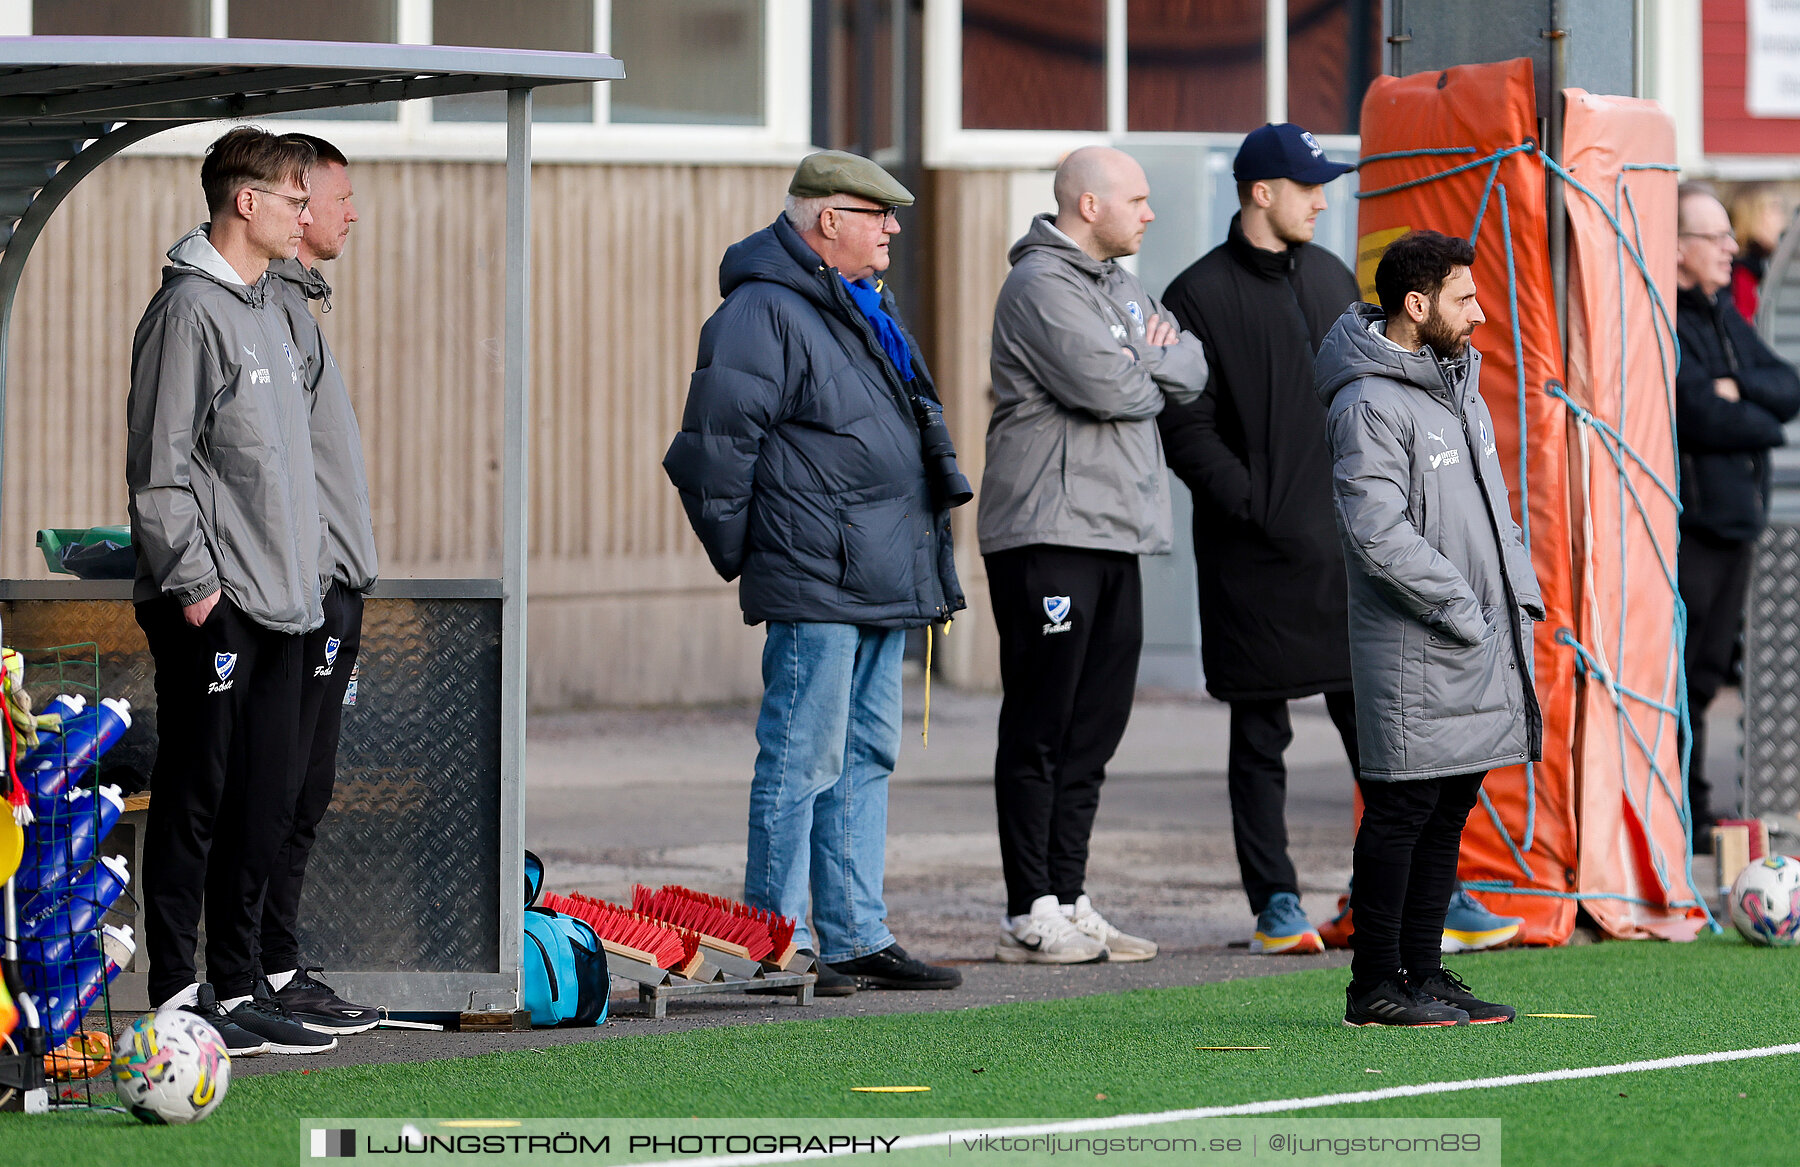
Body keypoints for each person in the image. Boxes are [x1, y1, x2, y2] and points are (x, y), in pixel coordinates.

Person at [664, 151, 967, 994]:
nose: (894, 230)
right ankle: (771, 943)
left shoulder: (856, 302)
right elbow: (713, 454)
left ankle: (855, 934)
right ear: (827, 220)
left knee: (865, 752)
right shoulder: (762, 309)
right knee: (802, 758)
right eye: (879, 215)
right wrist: (761, 559)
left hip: (873, 573)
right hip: (819, 575)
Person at [127, 127, 334, 1055]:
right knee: (197, 796)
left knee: (265, 801)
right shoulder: (188, 313)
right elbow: (160, 468)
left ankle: (242, 984)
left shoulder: (270, 311)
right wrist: (199, 588)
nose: (308, 214)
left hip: (287, 601)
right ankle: (176, 988)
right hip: (218, 604)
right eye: (294, 199)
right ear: (244, 201)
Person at [980, 146, 1208, 964]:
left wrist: (1146, 358)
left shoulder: (1122, 284)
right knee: (1042, 722)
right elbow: (1115, 388)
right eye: (1137, 200)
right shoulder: (1039, 286)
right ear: (1087, 205)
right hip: (1050, 532)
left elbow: (1194, 364)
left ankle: (1069, 895)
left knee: (1095, 728)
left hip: (1117, 532)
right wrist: (1148, 360)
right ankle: (1026, 910)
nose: (1149, 214)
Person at [1315, 230, 1542, 1026]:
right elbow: (1377, 533)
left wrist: (1519, 600)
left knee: (1448, 808)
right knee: (1403, 812)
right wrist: (1462, 605)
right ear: (1417, 306)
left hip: (1474, 637)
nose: (1480, 315)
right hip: (1421, 646)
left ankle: (1425, 973)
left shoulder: (1459, 386)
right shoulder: (1367, 401)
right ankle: (1374, 985)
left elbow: (1495, 514)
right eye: (1464, 299)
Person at [1156, 122, 1360, 956]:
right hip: (1254, 552)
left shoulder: (1333, 274)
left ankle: (1394, 892)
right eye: (1307, 185)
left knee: (1380, 730)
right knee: (1260, 732)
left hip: (1348, 549)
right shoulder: (1195, 292)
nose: (1322, 198)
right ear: (1259, 193)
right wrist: (1255, 503)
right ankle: (1276, 902)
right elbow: (1184, 423)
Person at [258, 134, 380, 1034]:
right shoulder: (259, 308)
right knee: (276, 787)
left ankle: (278, 960)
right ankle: (252, 969)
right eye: (337, 196)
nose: (347, 213)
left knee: (307, 786)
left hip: (331, 586)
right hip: (299, 593)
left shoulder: (299, 308)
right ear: (294, 201)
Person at [1675, 184, 1800, 851]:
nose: (1731, 248)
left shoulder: (1725, 313)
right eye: (1714, 237)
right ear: (1676, 249)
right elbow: (1697, 410)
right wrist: (1749, 413)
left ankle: (1696, 813)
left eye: (1730, 235)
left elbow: (1786, 388)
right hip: (1693, 529)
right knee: (1684, 679)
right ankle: (1681, 815)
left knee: (1707, 676)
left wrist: (1740, 389)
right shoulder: (1665, 316)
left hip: (1736, 527)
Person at [1727, 184, 1787, 323]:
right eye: (1774, 209)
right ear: (1750, 216)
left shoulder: (1763, 264)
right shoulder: (1743, 272)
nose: (1782, 219)